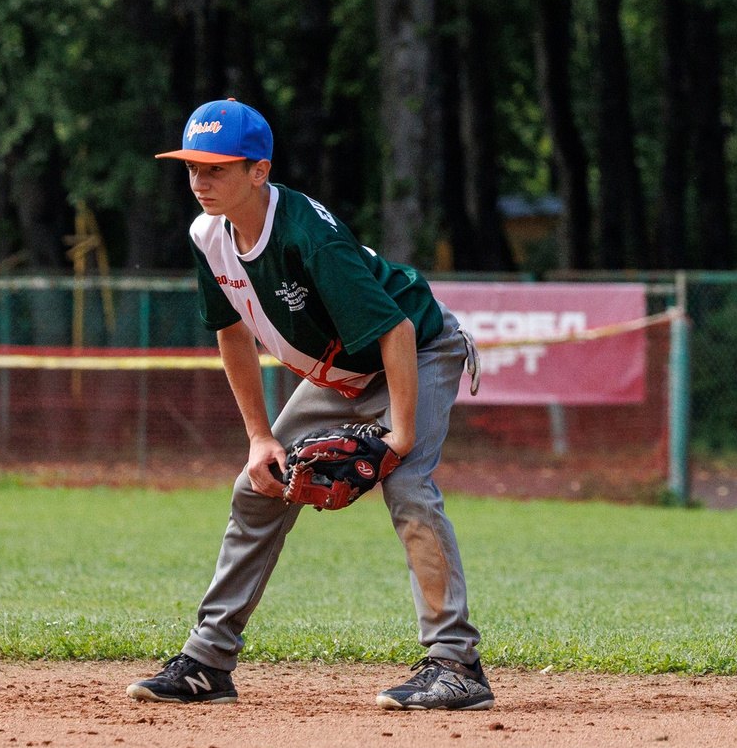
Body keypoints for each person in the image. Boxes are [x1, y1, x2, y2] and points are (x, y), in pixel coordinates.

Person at [126, 98, 495, 713]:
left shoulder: (307, 236)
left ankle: (456, 665)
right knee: (259, 485)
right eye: (192, 166)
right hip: (340, 371)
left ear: (258, 172)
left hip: (418, 349)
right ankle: (207, 663)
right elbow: (231, 332)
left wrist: (398, 439)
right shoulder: (206, 236)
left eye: (217, 167)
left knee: (406, 487)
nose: (200, 181)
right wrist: (259, 437)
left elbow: (396, 329)